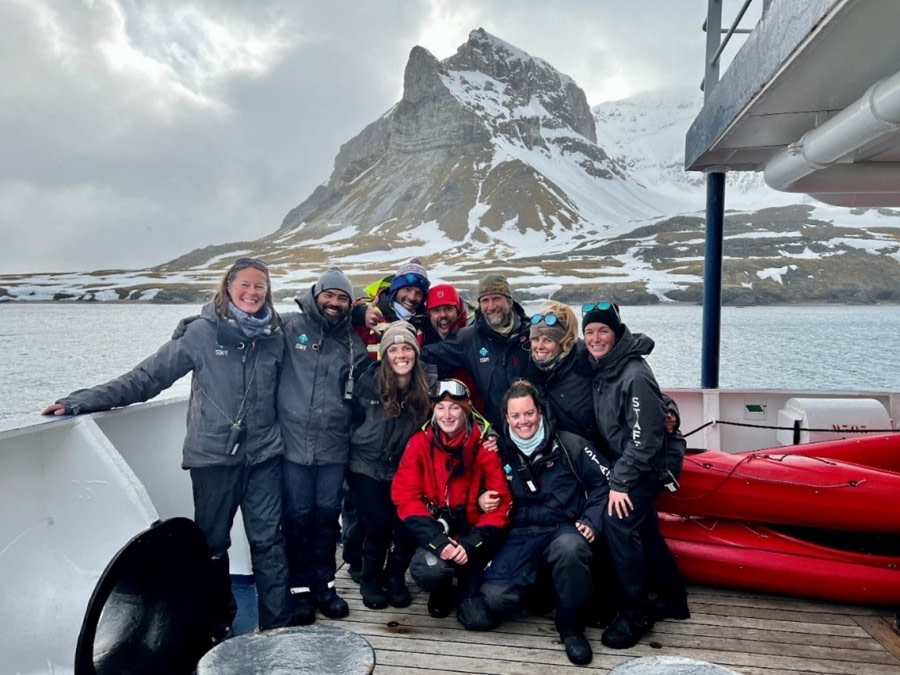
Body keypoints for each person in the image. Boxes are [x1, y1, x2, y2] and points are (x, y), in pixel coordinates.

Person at [42, 257, 291, 642]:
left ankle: (278, 627)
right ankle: (216, 621)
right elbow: (147, 378)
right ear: (228, 287)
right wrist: (81, 400)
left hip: (264, 457)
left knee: (269, 540)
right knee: (212, 544)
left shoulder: (276, 335)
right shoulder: (201, 334)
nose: (252, 292)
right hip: (214, 458)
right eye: (245, 284)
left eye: (260, 286)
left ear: (268, 291)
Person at [582, 301, 689, 650]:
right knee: (644, 526)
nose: (596, 338)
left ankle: (635, 612)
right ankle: (673, 598)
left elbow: (647, 439)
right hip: (631, 461)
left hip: (649, 464)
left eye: (603, 330)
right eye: (590, 332)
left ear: (616, 332)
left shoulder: (633, 373)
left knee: (619, 521)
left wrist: (619, 482)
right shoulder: (602, 367)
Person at [480, 379, 610, 666]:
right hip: (520, 533)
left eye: (528, 413)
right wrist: (481, 500)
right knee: (495, 599)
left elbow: (604, 483)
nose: (523, 421)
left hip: (561, 529)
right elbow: (477, 488)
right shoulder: (496, 450)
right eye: (515, 416)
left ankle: (571, 627)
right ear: (506, 417)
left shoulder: (571, 445)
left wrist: (591, 519)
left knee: (571, 549)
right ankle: (544, 590)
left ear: (539, 411)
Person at [278, 267, 369, 624]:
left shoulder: (354, 345)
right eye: (329, 295)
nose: (334, 303)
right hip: (293, 449)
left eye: (343, 298)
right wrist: (197, 320)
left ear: (350, 304)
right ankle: (298, 588)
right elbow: (244, 323)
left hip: (333, 451)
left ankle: (324, 586)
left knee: (327, 519)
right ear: (315, 296)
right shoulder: (288, 328)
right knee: (297, 518)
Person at [391, 379, 511, 626]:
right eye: (441, 407)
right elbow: (405, 496)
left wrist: (470, 544)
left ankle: (468, 584)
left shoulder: (485, 445)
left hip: (472, 540)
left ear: (466, 409)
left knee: (478, 620)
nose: (447, 415)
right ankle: (442, 586)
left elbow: (501, 503)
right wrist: (438, 542)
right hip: (439, 535)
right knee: (428, 570)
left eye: (454, 407)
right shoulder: (419, 443)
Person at [347, 321, 435, 609]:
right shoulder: (366, 382)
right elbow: (346, 420)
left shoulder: (429, 384)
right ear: (385, 354)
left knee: (407, 521)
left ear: (415, 353)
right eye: (394, 349)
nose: (400, 355)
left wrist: (491, 439)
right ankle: (370, 578)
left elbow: (460, 413)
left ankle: (394, 576)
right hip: (365, 464)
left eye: (406, 348)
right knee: (378, 522)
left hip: (403, 468)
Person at [422, 273, 531, 425]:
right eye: (485, 300)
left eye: (496, 298)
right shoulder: (469, 338)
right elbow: (426, 355)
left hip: (531, 425)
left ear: (509, 301)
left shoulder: (532, 333)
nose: (491, 307)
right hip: (496, 432)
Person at [422, 283, 484, 413]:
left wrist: (414, 353)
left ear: (459, 310)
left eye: (448, 309)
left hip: (478, 413)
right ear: (429, 315)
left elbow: (450, 349)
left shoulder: (472, 331)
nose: (442, 315)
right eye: (436, 310)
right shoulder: (426, 333)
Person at [351, 258, 430, 359]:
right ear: (395, 290)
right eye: (407, 289)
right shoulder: (368, 311)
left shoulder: (426, 320)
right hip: (370, 373)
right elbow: (335, 318)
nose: (412, 297)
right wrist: (358, 314)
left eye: (419, 293)